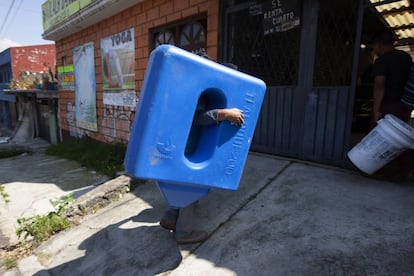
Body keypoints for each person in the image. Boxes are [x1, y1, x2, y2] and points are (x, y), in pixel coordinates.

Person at [160, 104, 245, 244]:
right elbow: (197, 117)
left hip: (176, 148)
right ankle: (184, 233)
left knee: (178, 186)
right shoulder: (192, 85)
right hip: (186, 151)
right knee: (191, 190)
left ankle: (171, 217)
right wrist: (225, 114)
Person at [370, 30, 413, 179]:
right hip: (404, 104)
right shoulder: (405, 57)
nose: (374, 50)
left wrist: (376, 110)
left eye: (373, 47)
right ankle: (405, 170)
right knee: (400, 137)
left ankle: (377, 170)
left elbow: (379, 85)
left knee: (379, 138)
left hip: (388, 104)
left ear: (379, 45)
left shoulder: (382, 60)